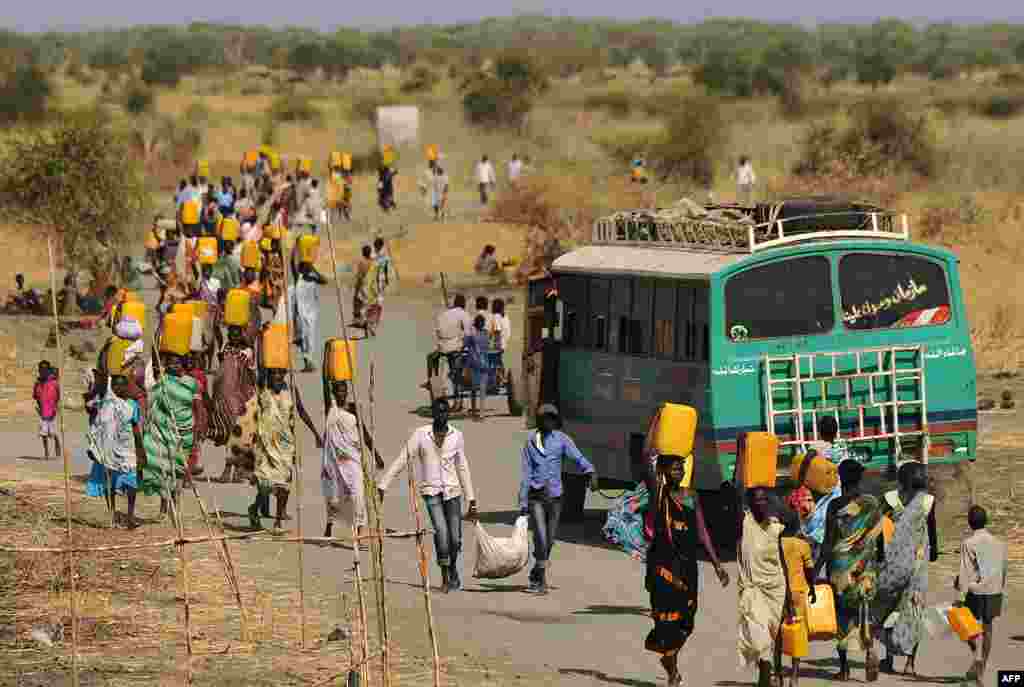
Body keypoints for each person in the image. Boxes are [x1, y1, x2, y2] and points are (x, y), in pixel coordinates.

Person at [643, 447, 729, 685]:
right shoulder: (658, 495)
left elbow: (702, 532)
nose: (679, 471)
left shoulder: (691, 496)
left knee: (687, 620)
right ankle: (672, 671)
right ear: (663, 470)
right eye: (673, 467)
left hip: (688, 566)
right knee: (665, 620)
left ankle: (668, 655)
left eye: (681, 466)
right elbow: (647, 462)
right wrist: (654, 438)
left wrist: (717, 564)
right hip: (663, 567)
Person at [378, 398, 478, 593]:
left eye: (444, 411)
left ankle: (452, 567)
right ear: (432, 413)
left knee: (455, 538)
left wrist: (471, 499)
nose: (441, 415)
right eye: (438, 411)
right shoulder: (420, 435)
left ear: (448, 414)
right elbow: (403, 459)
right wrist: (384, 484)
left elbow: (462, 467)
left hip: (453, 491)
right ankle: (445, 577)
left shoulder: (456, 436)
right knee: (441, 531)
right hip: (431, 492)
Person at [812, 458, 884, 682]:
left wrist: (814, 570)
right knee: (865, 611)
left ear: (840, 478)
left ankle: (844, 669)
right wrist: (879, 560)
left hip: (841, 568)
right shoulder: (872, 503)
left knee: (843, 618)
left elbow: (828, 542)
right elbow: (879, 535)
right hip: (865, 566)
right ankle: (871, 649)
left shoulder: (836, 505)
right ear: (860, 478)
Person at [518, 404, 596, 594]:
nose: (548, 422)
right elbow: (526, 472)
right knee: (541, 537)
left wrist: (590, 471)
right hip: (536, 497)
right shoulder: (530, 442)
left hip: (555, 497)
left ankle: (537, 572)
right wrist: (523, 500)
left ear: (556, 421)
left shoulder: (562, 440)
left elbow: (577, 457)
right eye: (544, 418)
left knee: (550, 539)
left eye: (551, 418)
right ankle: (540, 581)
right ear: (539, 421)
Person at [872, 460, 937, 675]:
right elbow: (933, 534)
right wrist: (933, 554)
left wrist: (879, 557)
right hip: (917, 565)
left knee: (888, 607)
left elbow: (879, 530)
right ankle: (910, 664)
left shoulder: (889, 499)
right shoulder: (927, 501)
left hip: (891, 565)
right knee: (913, 610)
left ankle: (888, 659)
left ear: (900, 479)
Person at [250, 362, 322, 531]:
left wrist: (316, 434)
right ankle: (254, 508)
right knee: (265, 483)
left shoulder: (290, 391)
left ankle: (277, 522)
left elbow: (301, 411)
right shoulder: (262, 388)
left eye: (281, 373)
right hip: (265, 444)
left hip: (285, 443)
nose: (277, 376)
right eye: (274, 373)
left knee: (284, 483)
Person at [85, 355, 144, 529]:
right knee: (110, 483)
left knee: (131, 482)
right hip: (110, 448)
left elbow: (135, 428)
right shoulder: (106, 403)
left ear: (127, 387)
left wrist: (141, 451)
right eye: (115, 384)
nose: (119, 387)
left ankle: (130, 515)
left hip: (127, 447)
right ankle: (111, 513)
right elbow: (94, 418)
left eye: (122, 384)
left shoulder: (132, 405)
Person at [736, 486, 787, 687]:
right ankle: (766, 674)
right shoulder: (743, 523)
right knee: (759, 634)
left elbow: (782, 561)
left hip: (775, 588)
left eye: (764, 499)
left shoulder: (776, 527)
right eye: (756, 500)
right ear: (749, 503)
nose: (761, 503)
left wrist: (789, 598)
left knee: (770, 634)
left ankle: (765, 677)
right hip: (752, 588)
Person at [321, 379, 383, 540]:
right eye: (338, 391)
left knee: (358, 494)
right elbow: (324, 384)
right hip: (334, 459)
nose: (342, 394)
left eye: (344, 390)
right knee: (333, 496)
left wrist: (376, 455)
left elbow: (364, 433)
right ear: (334, 392)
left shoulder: (353, 409)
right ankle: (329, 525)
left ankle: (360, 529)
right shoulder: (331, 408)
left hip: (353, 458)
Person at [141, 346, 198, 520]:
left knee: (179, 471)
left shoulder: (191, 383)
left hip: (185, 433)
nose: (173, 365)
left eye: (177, 362)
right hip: (166, 432)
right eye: (170, 363)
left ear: (183, 364)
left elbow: (198, 408)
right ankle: (163, 509)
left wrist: (198, 431)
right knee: (165, 469)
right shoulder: (163, 382)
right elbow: (153, 402)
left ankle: (176, 506)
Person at [955, 505, 1007, 685]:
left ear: (970, 523)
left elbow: (965, 571)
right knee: (988, 627)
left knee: (964, 625)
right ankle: (982, 667)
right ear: (986, 521)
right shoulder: (999, 543)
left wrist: (960, 596)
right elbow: (1003, 569)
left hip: (975, 590)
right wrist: (1000, 587)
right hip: (994, 590)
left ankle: (976, 656)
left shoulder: (968, 543)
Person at [212, 324, 258, 483]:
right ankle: (236, 469)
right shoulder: (225, 348)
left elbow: (249, 371)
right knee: (231, 432)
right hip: (227, 396)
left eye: (236, 333)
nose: (233, 336)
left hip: (243, 396)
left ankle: (231, 469)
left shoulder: (247, 352)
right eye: (231, 333)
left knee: (240, 434)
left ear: (242, 334)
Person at [780, 510, 816, 687]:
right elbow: (809, 571)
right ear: (796, 525)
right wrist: (813, 588)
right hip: (798, 594)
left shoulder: (774, 543)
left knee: (777, 634)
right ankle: (794, 677)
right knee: (798, 635)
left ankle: (777, 673)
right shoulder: (802, 545)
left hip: (778, 593)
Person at [425, 294, 473, 395]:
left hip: (443, 347)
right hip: (457, 347)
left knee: (430, 357)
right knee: (458, 368)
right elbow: (468, 334)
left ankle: (432, 380)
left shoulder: (443, 314)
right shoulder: (464, 314)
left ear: (454, 303)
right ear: (464, 304)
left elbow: (438, 333)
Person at [294, 260, 328, 372]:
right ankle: (308, 362)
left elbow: (325, 280)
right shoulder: (298, 278)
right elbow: (292, 262)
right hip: (300, 313)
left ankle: (309, 363)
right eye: (305, 268)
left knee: (310, 338)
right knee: (303, 338)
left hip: (312, 313)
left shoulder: (314, 279)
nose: (306, 270)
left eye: (308, 268)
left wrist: (314, 269)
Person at [463, 314, 490, 420]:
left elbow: (465, 344)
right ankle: (481, 413)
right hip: (484, 363)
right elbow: (488, 345)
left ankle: (474, 411)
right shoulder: (486, 334)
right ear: (483, 324)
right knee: (482, 389)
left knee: (474, 388)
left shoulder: (471, 335)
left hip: (474, 363)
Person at [33, 361, 61, 459]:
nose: (42, 372)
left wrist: (55, 407)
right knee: (43, 433)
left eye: (45, 370)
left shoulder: (54, 383)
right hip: (42, 412)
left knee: (53, 432)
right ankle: (46, 452)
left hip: (53, 411)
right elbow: (36, 396)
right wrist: (39, 408)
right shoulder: (37, 384)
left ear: (49, 370)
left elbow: (58, 396)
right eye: (41, 370)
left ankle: (57, 441)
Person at [489, 298, 512, 388]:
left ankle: (501, 378)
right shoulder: (505, 317)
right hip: (504, 343)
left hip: (498, 344)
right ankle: (502, 378)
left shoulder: (496, 317)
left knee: (495, 362)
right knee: (498, 361)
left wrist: (496, 346)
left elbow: (497, 331)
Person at [352, 245, 373, 326]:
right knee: (366, 302)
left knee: (357, 301)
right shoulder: (372, 262)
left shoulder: (362, 262)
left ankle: (358, 320)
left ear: (363, 252)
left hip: (363, 284)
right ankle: (366, 320)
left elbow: (360, 275)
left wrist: (357, 286)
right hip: (370, 285)